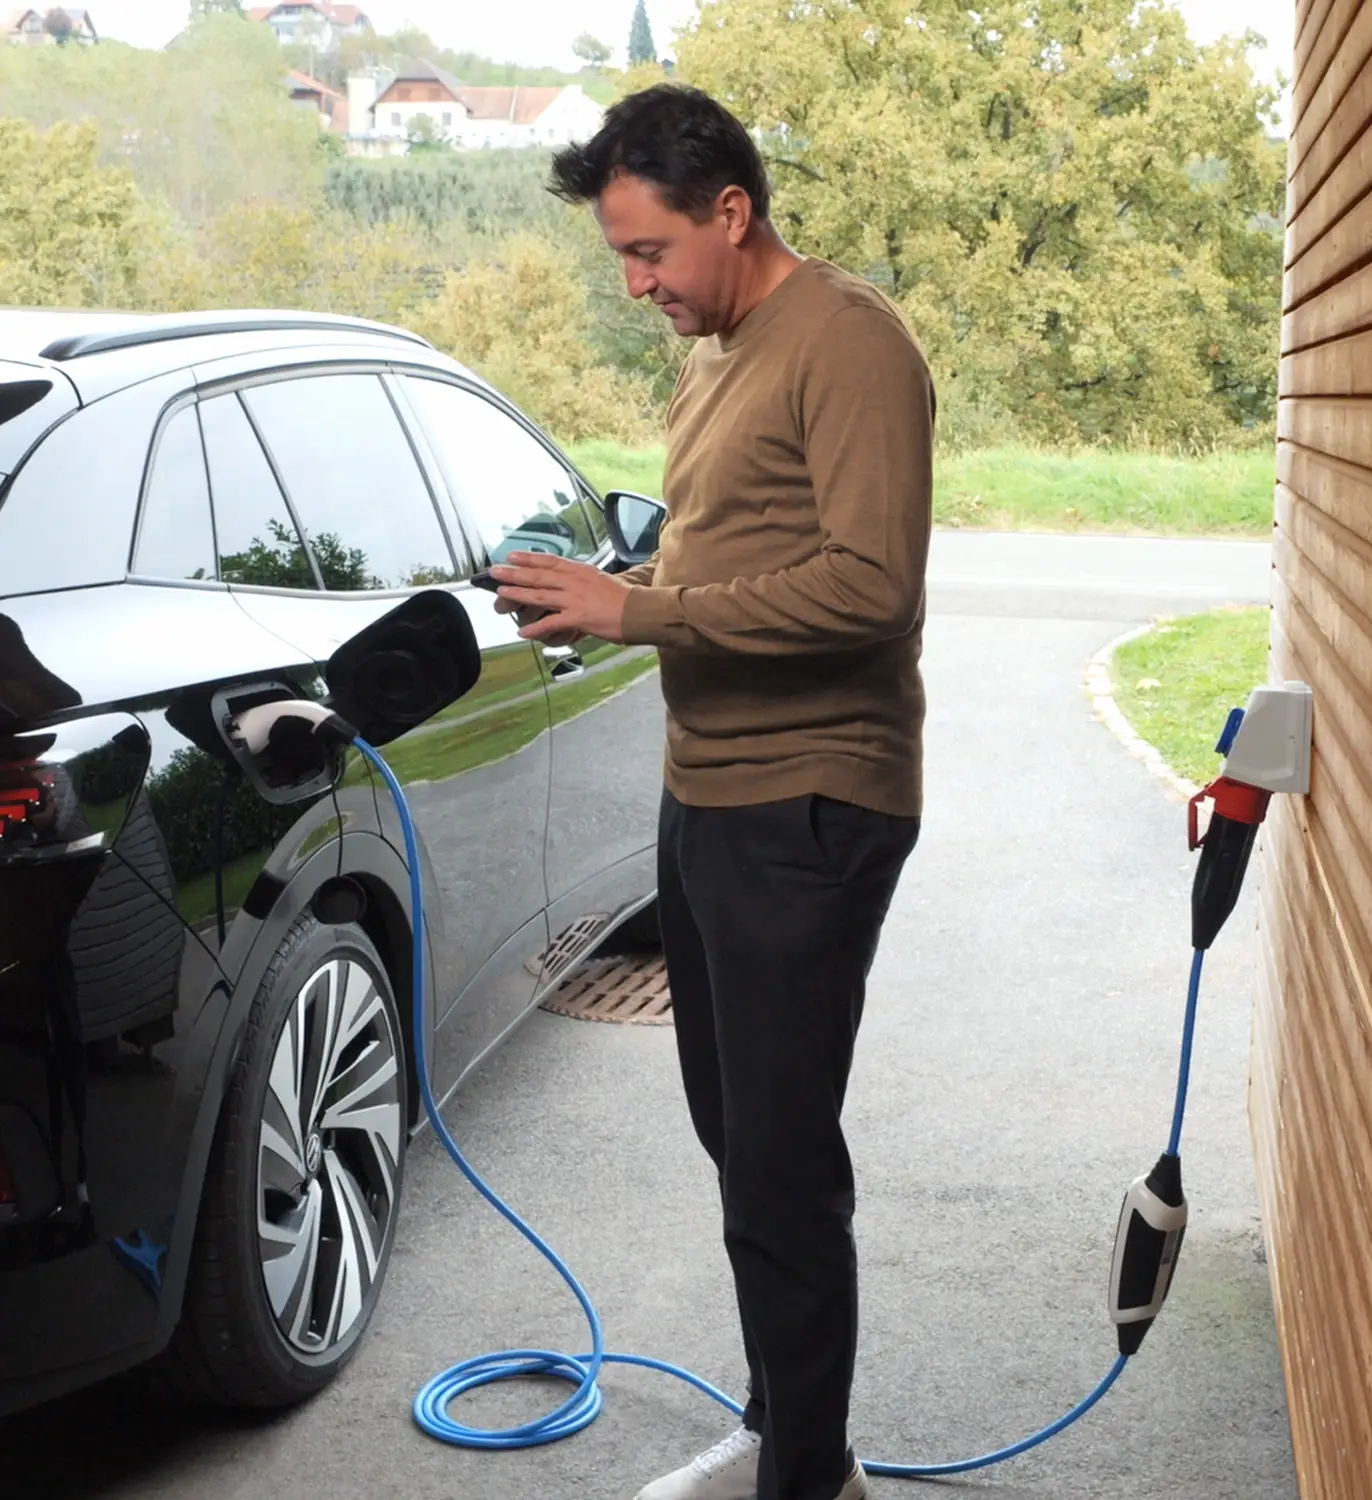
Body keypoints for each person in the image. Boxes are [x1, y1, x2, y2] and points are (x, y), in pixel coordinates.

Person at [491, 83, 935, 1500]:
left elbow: (870, 588)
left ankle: (809, 1477)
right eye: (619, 257)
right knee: (733, 1131)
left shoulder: (846, 343)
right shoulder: (718, 351)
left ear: (731, 212)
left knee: (780, 1157)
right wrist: (610, 594)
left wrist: (640, 620)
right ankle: (781, 1426)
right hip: (711, 796)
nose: (636, 287)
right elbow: (728, 557)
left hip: (812, 800)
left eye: (650, 254)